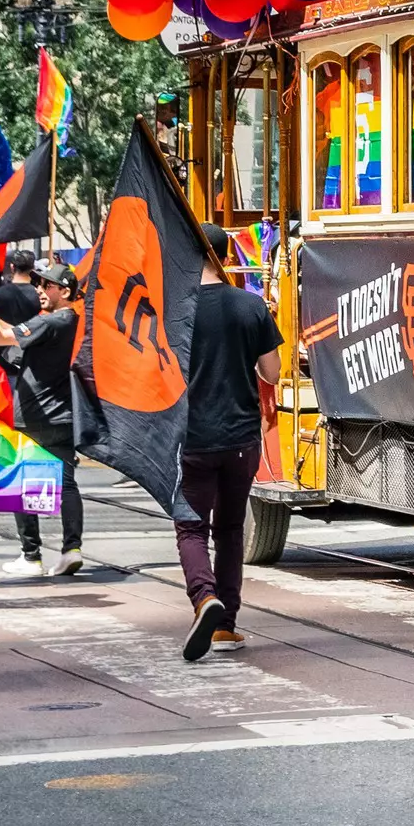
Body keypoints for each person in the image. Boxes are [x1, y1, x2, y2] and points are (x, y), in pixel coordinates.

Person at [175, 222, 283, 660]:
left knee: (190, 527)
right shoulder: (250, 306)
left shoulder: (176, 310)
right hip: (241, 438)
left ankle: (204, 598)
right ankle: (225, 626)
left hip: (193, 437)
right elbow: (272, 373)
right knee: (231, 530)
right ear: (224, 255)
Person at [0, 261, 84, 578]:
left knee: (25, 483)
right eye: (39, 285)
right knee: (66, 484)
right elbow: (11, 337)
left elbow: (3, 336)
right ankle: (71, 549)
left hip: (35, 416)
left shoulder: (53, 321)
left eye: (48, 286)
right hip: (63, 415)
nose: (40, 290)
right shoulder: (70, 321)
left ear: (65, 290)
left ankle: (31, 556)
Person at [0, 250, 43, 327]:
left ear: (12, 267)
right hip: (33, 337)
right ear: (33, 268)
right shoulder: (41, 296)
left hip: (3, 337)